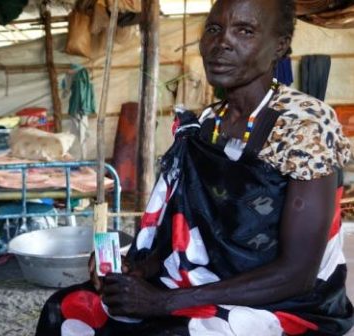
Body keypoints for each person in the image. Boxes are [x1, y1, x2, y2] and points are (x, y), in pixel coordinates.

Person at [35, 0, 354, 335]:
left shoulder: (304, 124)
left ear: (279, 46)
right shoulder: (205, 125)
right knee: (66, 308)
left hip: (280, 302)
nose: (222, 42)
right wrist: (138, 269)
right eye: (214, 29)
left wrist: (163, 301)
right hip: (202, 282)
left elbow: (297, 274)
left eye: (244, 31)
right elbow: (188, 234)